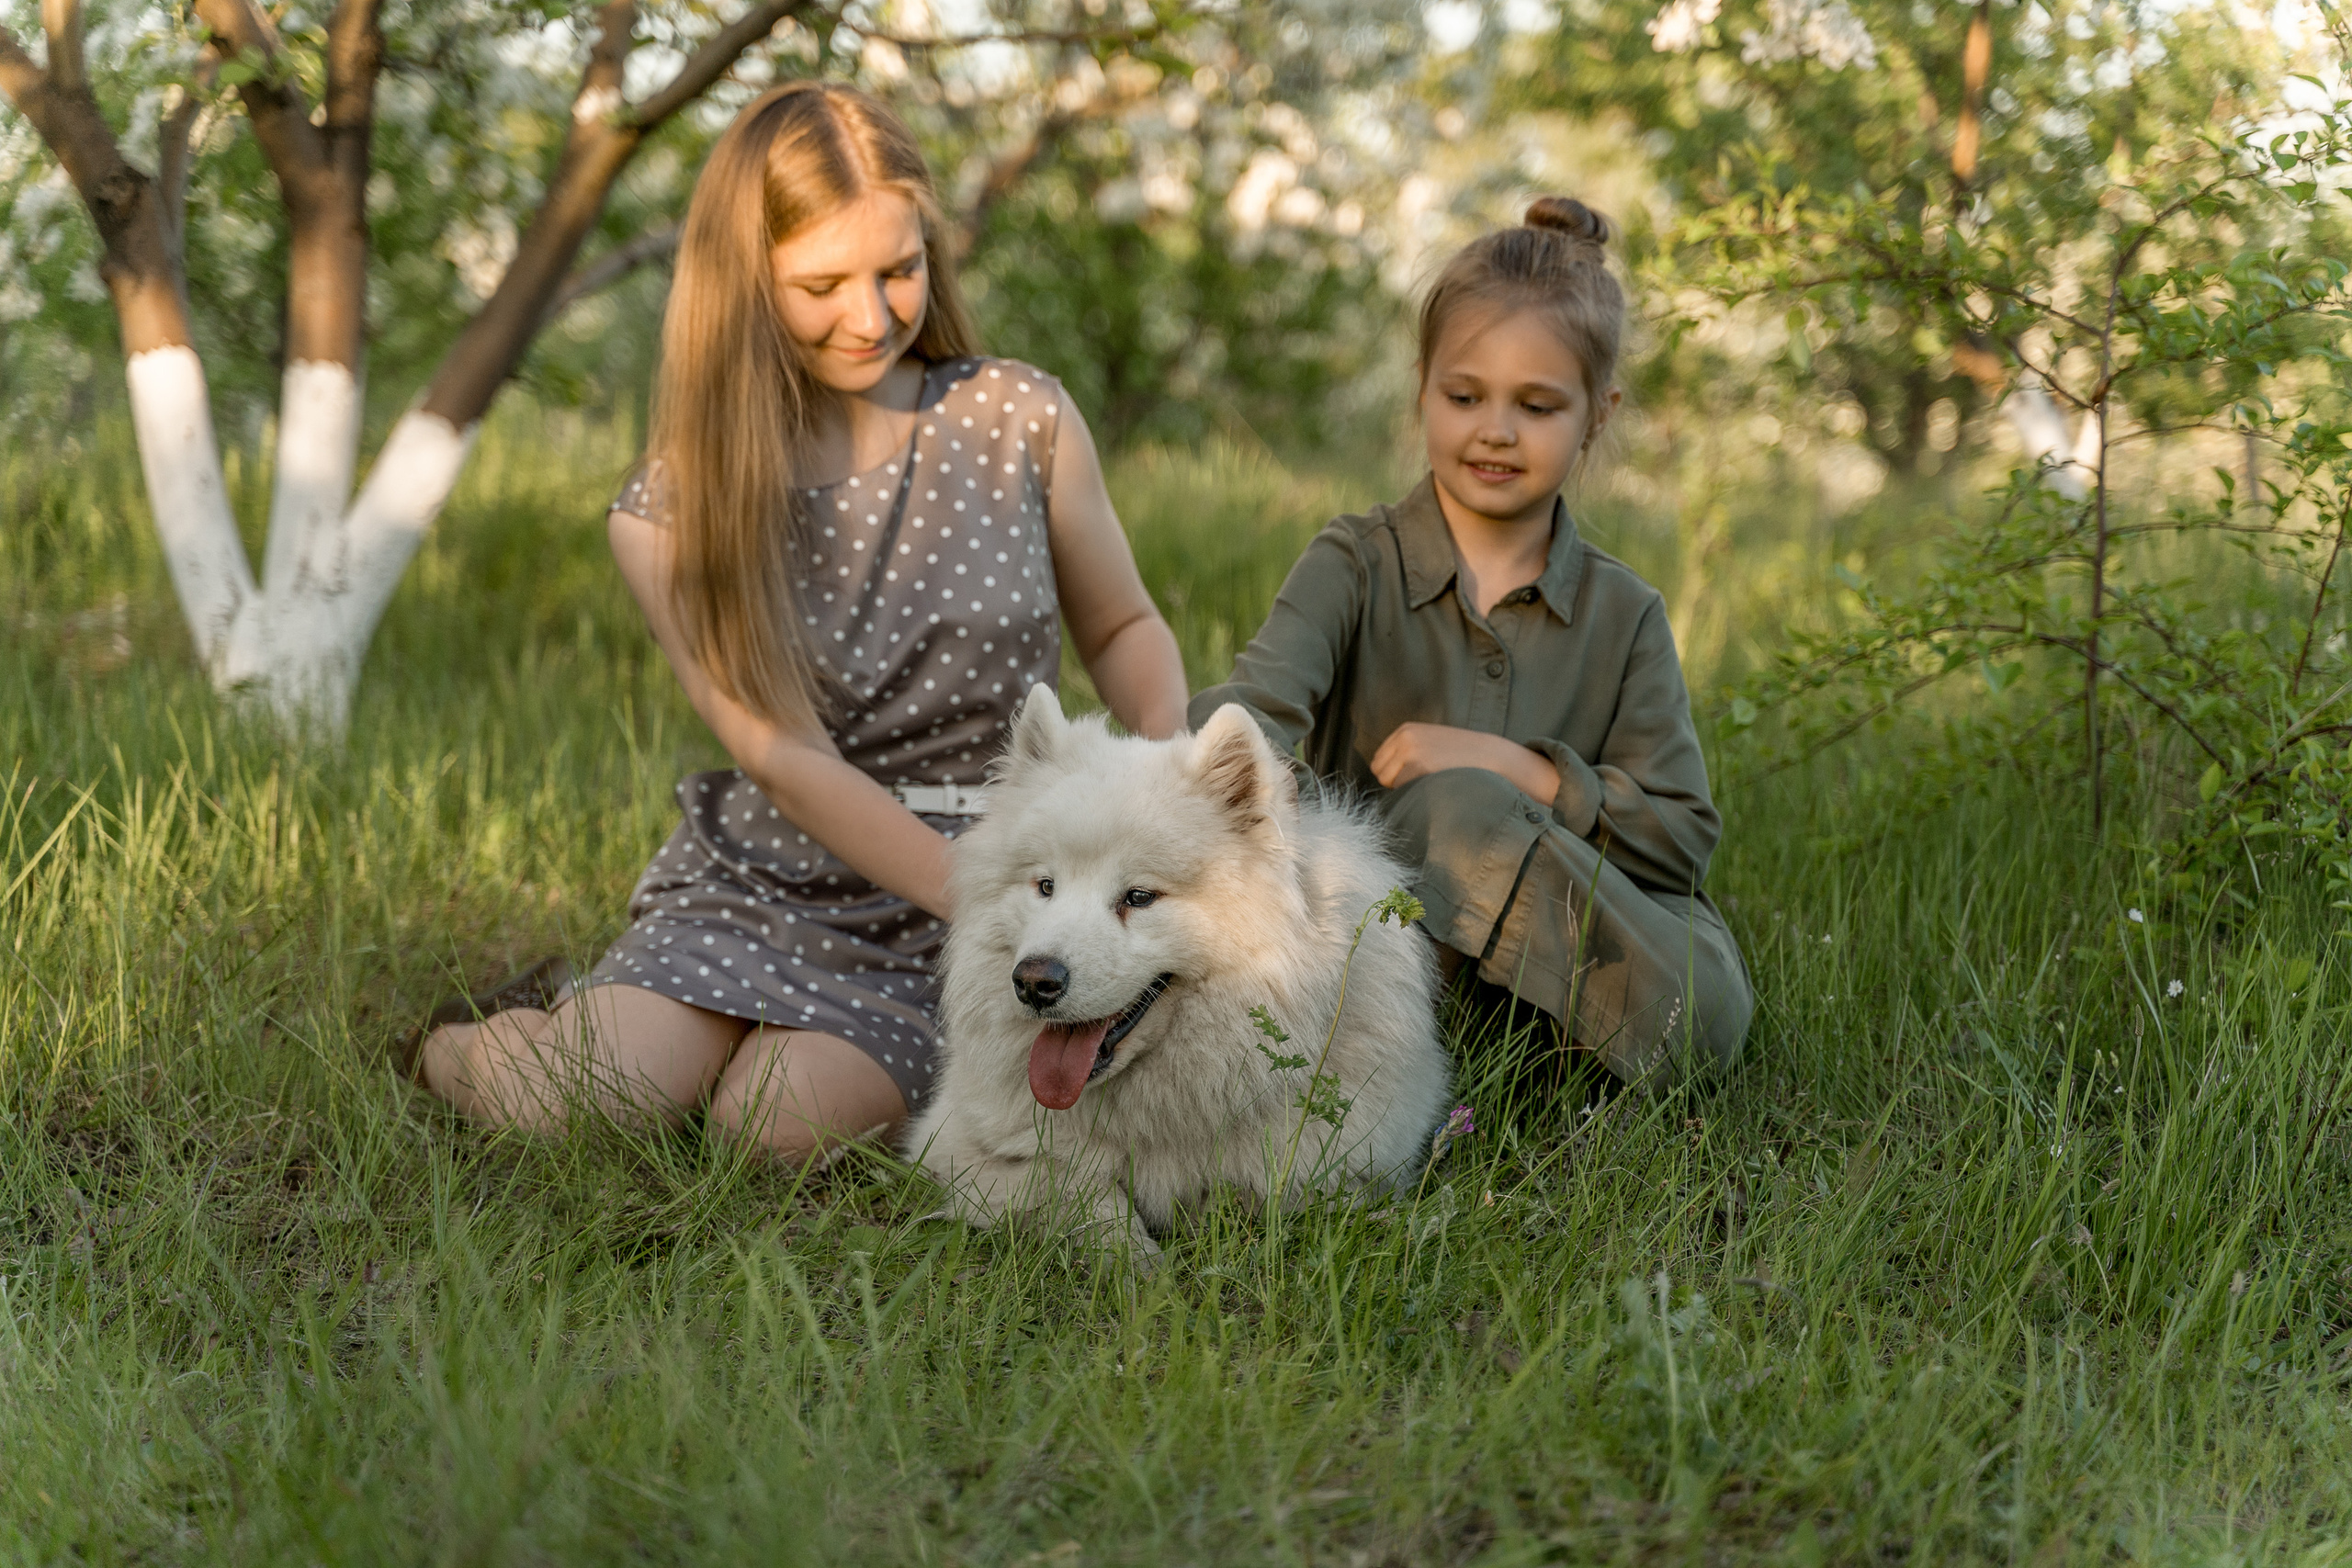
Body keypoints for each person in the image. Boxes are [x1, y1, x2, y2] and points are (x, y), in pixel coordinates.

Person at [407, 83, 1189, 1157]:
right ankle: (470, 1042)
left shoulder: (1019, 418)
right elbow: (782, 756)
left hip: (1012, 877)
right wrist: (977, 896)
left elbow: (1124, 627)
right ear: (744, 285)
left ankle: (721, 1046)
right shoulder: (674, 505)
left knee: (770, 1131)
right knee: (573, 1105)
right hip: (774, 876)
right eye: (822, 284)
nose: (870, 316)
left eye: (899, 270)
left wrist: (1158, 787)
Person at [1188, 197, 1751, 1090]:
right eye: (1463, 396)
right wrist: (1266, 782)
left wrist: (1521, 770)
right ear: (1421, 387)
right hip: (1380, 935)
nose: (1495, 430)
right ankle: (1432, 1061)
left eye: (1536, 405)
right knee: (1445, 818)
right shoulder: (1354, 563)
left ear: (1596, 415)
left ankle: (1541, 1050)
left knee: (1706, 1010)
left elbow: (1679, 840)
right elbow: (1247, 711)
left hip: (1571, 941)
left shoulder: (1624, 612)